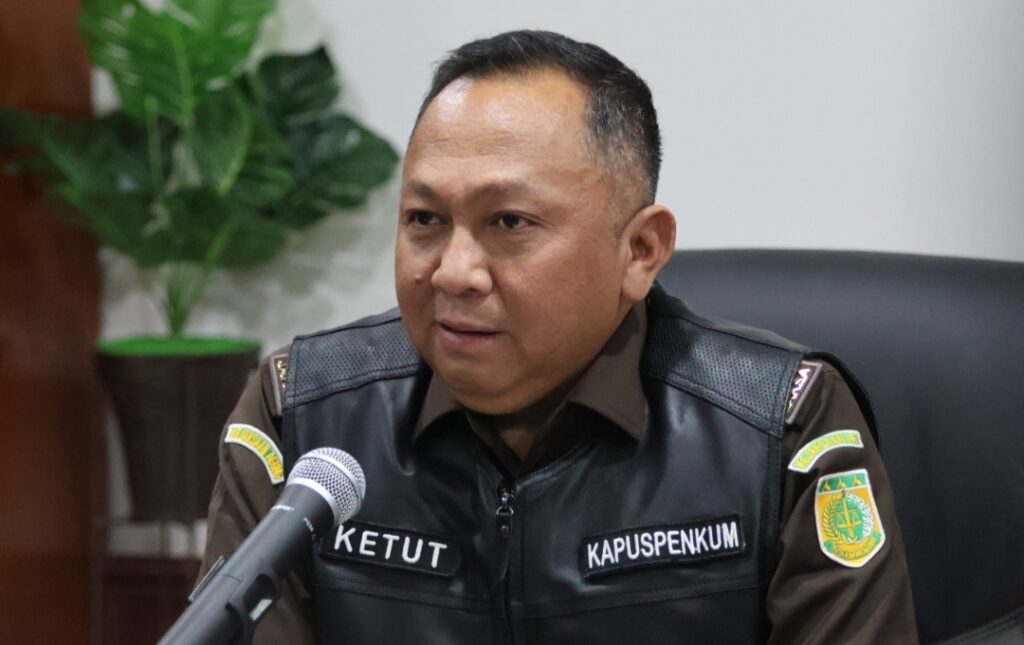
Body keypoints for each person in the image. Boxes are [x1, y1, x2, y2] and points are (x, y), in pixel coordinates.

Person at [199, 30, 918, 644]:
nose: (453, 272)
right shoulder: (302, 417)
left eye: (509, 222)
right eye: (424, 219)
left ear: (640, 251)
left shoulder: (781, 429)